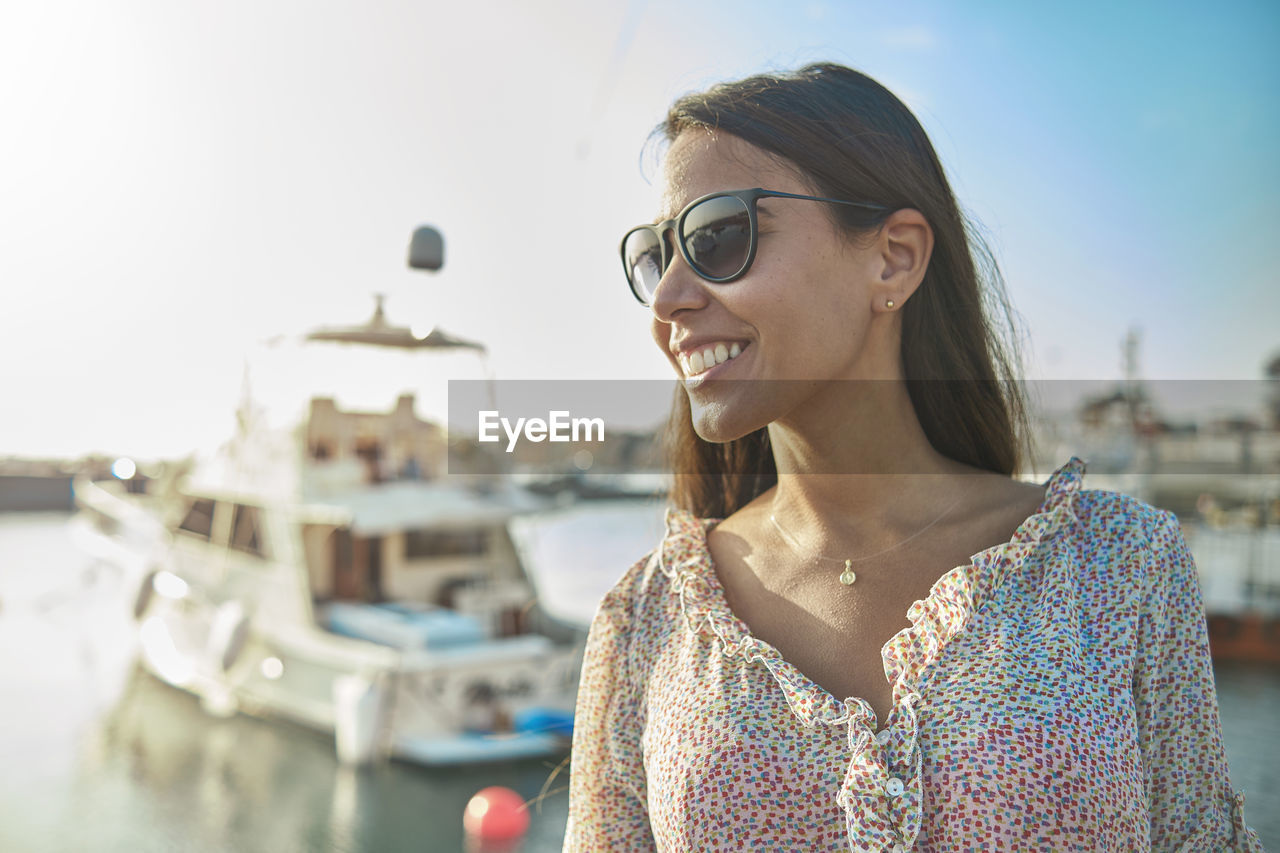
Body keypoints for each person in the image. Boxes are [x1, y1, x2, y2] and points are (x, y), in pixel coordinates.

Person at [563, 64, 1262, 851]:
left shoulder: (1120, 567)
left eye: (718, 236)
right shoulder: (646, 622)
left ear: (893, 257)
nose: (666, 301)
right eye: (657, 256)